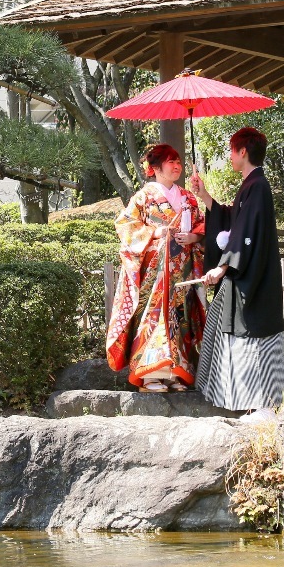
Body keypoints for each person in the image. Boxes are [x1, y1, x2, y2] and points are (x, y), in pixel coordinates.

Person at [189, 127, 284, 423]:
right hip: (246, 271)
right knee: (231, 325)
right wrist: (204, 195)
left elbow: (247, 234)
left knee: (252, 331)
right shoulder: (252, 185)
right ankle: (250, 402)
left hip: (252, 275)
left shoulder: (257, 186)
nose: (230, 156)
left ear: (243, 151)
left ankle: (263, 405)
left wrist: (222, 267)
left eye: (232, 151)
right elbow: (234, 220)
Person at [106, 144, 207, 392]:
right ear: (156, 168)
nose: (177, 166)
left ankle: (175, 372)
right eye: (171, 162)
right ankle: (150, 374)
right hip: (154, 273)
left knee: (181, 317)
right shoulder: (144, 197)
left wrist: (194, 237)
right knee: (153, 317)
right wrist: (154, 233)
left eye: (179, 162)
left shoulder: (188, 197)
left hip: (181, 270)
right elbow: (126, 225)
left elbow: (201, 225)